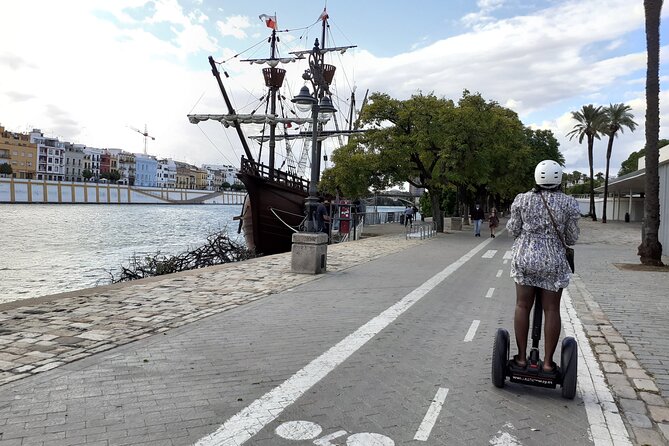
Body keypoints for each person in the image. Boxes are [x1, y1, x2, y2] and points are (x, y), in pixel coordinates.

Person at [506, 160, 580, 374]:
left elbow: (513, 229)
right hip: (553, 261)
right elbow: (572, 237)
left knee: (522, 306)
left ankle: (520, 359)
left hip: (526, 258)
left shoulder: (523, 200)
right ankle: (547, 363)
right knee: (551, 309)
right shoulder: (568, 203)